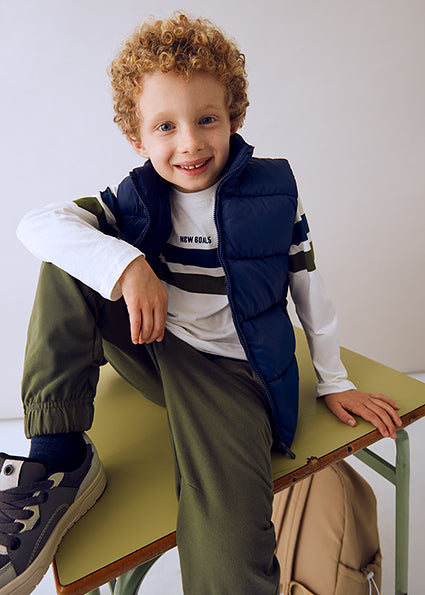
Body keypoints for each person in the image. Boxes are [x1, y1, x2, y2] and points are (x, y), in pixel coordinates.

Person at [0, 11, 402, 595]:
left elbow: (309, 287)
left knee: (227, 542)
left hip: (233, 375)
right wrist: (127, 266)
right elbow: (36, 226)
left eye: (207, 119)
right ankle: (57, 457)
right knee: (69, 254)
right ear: (137, 138)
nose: (189, 143)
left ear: (233, 118)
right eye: (165, 126)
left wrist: (333, 380)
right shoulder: (134, 196)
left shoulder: (274, 194)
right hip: (154, 345)